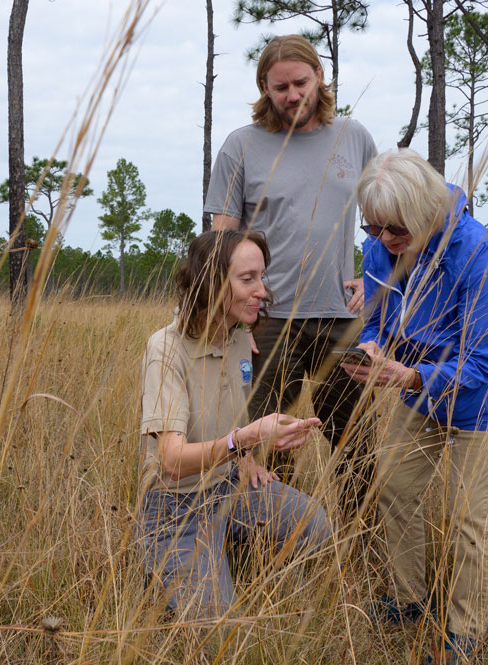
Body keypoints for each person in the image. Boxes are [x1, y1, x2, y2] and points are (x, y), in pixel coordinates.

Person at [340, 149, 488, 664]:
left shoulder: (478, 254)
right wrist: (375, 346)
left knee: (471, 516)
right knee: (395, 485)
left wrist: (409, 375)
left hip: (486, 397)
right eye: (373, 227)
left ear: (425, 213)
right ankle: (410, 601)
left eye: (395, 230)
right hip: (419, 383)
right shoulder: (383, 244)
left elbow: (485, 360)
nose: (383, 241)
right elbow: (378, 314)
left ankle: (463, 639)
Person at [204, 34, 379, 503]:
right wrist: (230, 316)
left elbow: (385, 215)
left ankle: (361, 559)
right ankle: (274, 555)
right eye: (280, 87)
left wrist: (374, 275)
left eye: (301, 82)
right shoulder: (241, 146)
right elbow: (222, 243)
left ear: (319, 76)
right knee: (265, 448)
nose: (293, 95)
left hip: (340, 323)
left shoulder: (354, 137)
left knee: (356, 449)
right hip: (265, 326)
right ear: (264, 87)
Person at [139, 229, 333, 618]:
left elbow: (231, 414)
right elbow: (172, 462)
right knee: (220, 631)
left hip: (229, 484)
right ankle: (162, 567)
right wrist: (243, 440)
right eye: (248, 279)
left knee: (316, 528)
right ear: (211, 282)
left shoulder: (240, 336)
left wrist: (245, 457)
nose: (262, 290)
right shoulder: (164, 349)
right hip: (175, 506)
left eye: (262, 276)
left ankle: (226, 546)